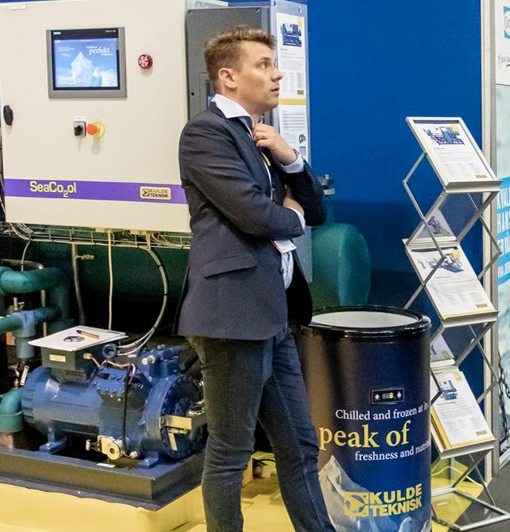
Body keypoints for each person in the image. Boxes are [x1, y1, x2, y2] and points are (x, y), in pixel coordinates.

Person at [177, 26, 334, 532]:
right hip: (231, 315)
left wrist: (291, 159)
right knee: (230, 450)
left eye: (274, 63)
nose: (278, 72)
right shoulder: (205, 134)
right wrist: (288, 214)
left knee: (299, 445)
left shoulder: (261, 137)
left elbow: (316, 210)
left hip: (274, 314)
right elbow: (253, 215)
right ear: (228, 77)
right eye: (264, 64)